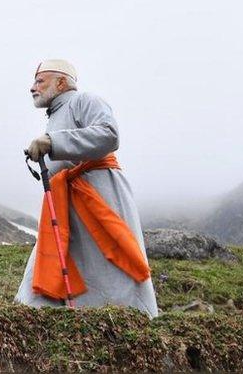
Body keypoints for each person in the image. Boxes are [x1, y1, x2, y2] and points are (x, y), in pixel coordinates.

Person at [14, 59, 158, 317]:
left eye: (39, 81)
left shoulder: (85, 101)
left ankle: (130, 316)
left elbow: (108, 134)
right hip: (66, 199)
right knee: (54, 255)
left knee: (108, 259)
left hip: (99, 193)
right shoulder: (56, 113)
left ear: (61, 82)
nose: (32, 87)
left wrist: (51, 142)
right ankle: (35, 314)